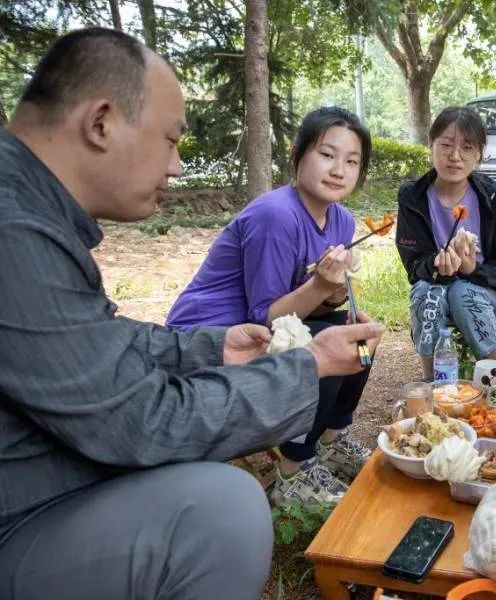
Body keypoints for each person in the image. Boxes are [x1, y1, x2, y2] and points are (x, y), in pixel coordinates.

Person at [0, 28, 385, 600]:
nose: (178, 167)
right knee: (224, 510)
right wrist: (302, 368)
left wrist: (211, 350)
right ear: (101, 121)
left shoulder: (32, 210)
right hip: (22, 505)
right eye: (172, 141)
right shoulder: (16, 231)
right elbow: (139, 422)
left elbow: (89, 340)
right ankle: (296, 467)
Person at [167, 107, 373, 504]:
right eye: (327, 155)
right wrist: (321, 286)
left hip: (269, 324)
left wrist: (334, 294)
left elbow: (315, 301)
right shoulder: (275, 215)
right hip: (210, 335)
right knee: (324, 346)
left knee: (361, 339)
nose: (338, 170)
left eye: (352, 161)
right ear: (297, 154)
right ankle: (293, 471)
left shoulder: (343, 221)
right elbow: (267, 315)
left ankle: (331, 441)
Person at [395, 106, 496, 380]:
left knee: (462, 291)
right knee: (428, 293)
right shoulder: (413, 197)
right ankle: (433, 381)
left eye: (467, 147)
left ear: (480, 154)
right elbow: (414, 264)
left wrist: (472, 270)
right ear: (430, 144)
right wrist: (435, 266)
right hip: (438, 289)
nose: (455, 156)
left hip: (494, 294)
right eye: (445, 145)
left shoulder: (494, 197)